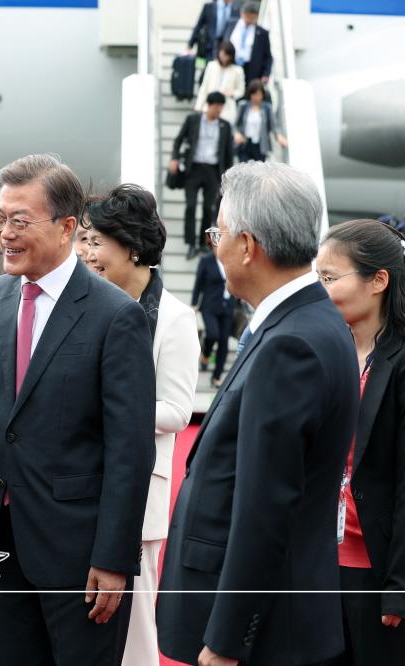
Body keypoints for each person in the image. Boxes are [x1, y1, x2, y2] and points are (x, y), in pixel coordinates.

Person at [0, 154, 156, 665]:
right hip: (2, 535)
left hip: (79, 550)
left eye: (18, 221)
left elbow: (130, 449)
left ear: (66, 228)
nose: (2, 234)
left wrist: (113, 558)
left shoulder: (114, 315)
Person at [157, 162, 360, 666]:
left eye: (217, 232)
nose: (214, 245)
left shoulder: (290, 342)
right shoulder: (310, 322)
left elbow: (265, 509)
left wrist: (227, 640)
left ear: (247, 246)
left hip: (262, 635)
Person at [81, 184, 200, 666]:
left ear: (131, 247)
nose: (86, 253)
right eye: (83, 241)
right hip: (80, 485)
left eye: (96, 242)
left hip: (140, 494)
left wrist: (102, 407)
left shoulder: (173, 318)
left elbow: (176, 408)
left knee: (132, 628)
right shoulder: (89, 304)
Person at [316, 219, 405, 665]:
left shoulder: (399, 361)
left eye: (330, 278)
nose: (320, 289)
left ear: (379, 281)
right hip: (319, 564)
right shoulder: (325, 349)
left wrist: (398, 587)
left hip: (377, 568)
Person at [170, 91, 234, 260]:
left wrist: (228, 177)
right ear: (209, 105)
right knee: (190, 206)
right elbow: (178, 140)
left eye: (221, 106)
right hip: (194, 169)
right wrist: (174, 158)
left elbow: (228, 154)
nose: (219, 109)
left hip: (213, 171)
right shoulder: (193, 120)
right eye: (217, 106)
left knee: (208, 208)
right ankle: (191, 243)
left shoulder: (225, 126)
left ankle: (202, 244)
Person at [191, 244, 235, 388]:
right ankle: (205, 356)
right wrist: (194, 303)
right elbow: (198, 283)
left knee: (224, 342)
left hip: (227, 306)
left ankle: (216, 376)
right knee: (212, 334)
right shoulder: (206, 260)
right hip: (209, 306)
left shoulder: (231, 259)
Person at [234, 79, 287, 162]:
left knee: (258, 171)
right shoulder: (243, 106)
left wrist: (279, 136)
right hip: (245, 143)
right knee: (244, 170)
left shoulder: (267, 108)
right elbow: (235, 124)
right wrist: (236, 134)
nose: (256, 97)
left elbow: (274, 126)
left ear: (262, 95)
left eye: (258, 94)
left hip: (260, 145)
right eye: (254, 94)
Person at [194, 41, 245, 124]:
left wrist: (232, 93)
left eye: (226, 55)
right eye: (222, 54)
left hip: (227, 108)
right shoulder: (211, 66)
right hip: (209, 106)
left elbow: (241, 91)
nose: (224, 58)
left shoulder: (237, 70)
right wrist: (199, 106)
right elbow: (204, 87)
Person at [223, 1, 272, 86]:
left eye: (252, 17)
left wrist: (266, 74)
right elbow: (220, 43)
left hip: (251, 71)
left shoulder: (262, 33)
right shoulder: (230, 24)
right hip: (230, 66)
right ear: (242, 13)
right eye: (247, 16)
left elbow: (268, 57)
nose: (249, 19)